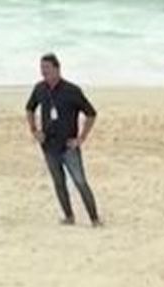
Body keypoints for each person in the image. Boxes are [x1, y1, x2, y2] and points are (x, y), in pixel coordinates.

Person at [24, 53, 101, 226]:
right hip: (48, 146)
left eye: (47, 68)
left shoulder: (72, 90)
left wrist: (81, 138)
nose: (44, 72)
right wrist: (34, 130)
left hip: (68, 146)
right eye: (42, 68)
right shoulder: (39, 89)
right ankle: (69, 216)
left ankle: (94, 219)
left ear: (57, 69)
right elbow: (29, 109)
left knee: (80, 182)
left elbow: (91, 114)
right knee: (59, 183)